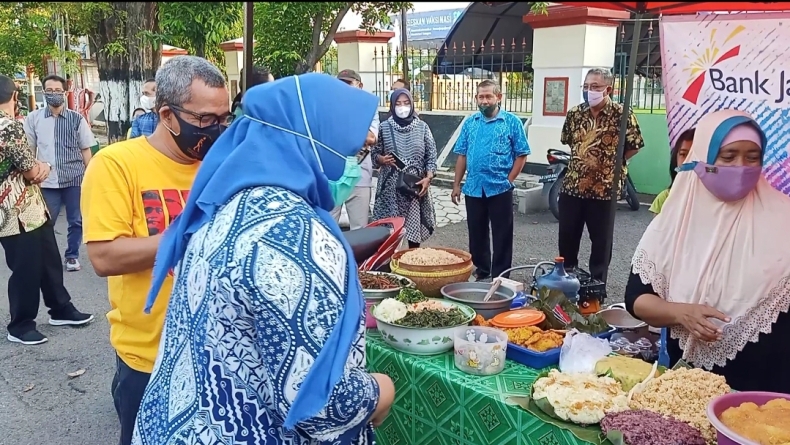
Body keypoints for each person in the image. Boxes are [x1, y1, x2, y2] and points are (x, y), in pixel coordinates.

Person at [132, 73, 395, 445]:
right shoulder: (293, 234)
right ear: (314, 144)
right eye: (350, 152)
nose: (353, 166)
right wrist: (382, 391)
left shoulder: (230, 204)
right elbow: (318, 405)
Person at [81, 55, 230, 445]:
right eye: (204, 120)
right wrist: (189, 233)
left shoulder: (224, 166)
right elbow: (104, 256)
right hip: (150, 358)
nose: (217, 130)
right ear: (167, 114)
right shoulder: (117, 164)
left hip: (221, 353)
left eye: (224, 118)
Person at [625, 109, 790, 392]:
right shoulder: (672, 224)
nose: (741, 166)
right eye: (728, 157)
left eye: (753, 158)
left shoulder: (784, 217)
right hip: (692, 388)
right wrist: (680, 313)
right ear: (702, 159)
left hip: (769, 392)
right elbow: (637, 299)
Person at [0, 74, 93, 345]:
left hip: (30, 209)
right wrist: (45, 168)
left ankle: (61, 308)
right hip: (14, 212)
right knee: (26, 267)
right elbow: (31, 170)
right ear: (14, 96)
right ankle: (21, 324)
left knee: (49, 259)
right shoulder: (8, 126)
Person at [558, 67, 645, 282]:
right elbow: (569, 141)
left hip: (605, 189)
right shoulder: (575, 114)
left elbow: (634, 145)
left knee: (601, 242)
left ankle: (597, 285)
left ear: (609, 89)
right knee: (567, 238)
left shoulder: (622, 114)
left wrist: (610, 161)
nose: (590, 91)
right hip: (573, 186)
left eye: (595, 87)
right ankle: (567, 280)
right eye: (586, 87)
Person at [451, 79, 529, 280]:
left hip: (500, 188)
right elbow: (462, 155)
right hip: (474, 188)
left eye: (488, 96)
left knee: (502, 234)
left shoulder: (512, 122)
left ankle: (501, 275)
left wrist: (509, 179)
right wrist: (456, 185)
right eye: (480, 97)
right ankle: (482, 270)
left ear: (499, 97)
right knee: (477, 233)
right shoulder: (470, 123)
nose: (484, 101)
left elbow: (522, 154)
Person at [24, 74, 96, 272]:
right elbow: (29, 150)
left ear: (65, 93)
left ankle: (72, 256)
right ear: (44, 92)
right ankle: (47, 258)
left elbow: (85, 149)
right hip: (47, 181)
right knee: (46, 222)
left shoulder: (76, 119)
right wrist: (30, 176)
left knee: (76, 220)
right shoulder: (34, 119)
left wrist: (90, 177)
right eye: (49, 91)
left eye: (58, 91)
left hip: (74, 178)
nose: (54, 94)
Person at [372, 88, 437, 248]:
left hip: (414, 187)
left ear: (412, 104)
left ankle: (411, 266)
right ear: (392, 106)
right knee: (390, 232)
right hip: (390, 189)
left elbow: (431, 156)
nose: (402, 107)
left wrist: (428, 177)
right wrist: (382, 159)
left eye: (406, 103)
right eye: (398, 103)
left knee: (413, 232)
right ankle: (391, 266)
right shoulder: (384, 127)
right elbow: (374, 154)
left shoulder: (422, 127)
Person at [331, 69, 379, 230]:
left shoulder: (369, 108)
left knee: (359, 230)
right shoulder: (330, 108)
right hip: (333, 178)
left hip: (360, 176)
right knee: (327, 228)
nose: (344, 88)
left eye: (348, 84)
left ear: (360, 86)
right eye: (340, 84)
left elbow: (371, 138)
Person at [649, 128, 694, 216]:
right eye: (683, 154)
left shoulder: (716, 201)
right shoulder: (665, 198)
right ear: (675, 159)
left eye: (695, 154)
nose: (689, 160)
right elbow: (657, 229)